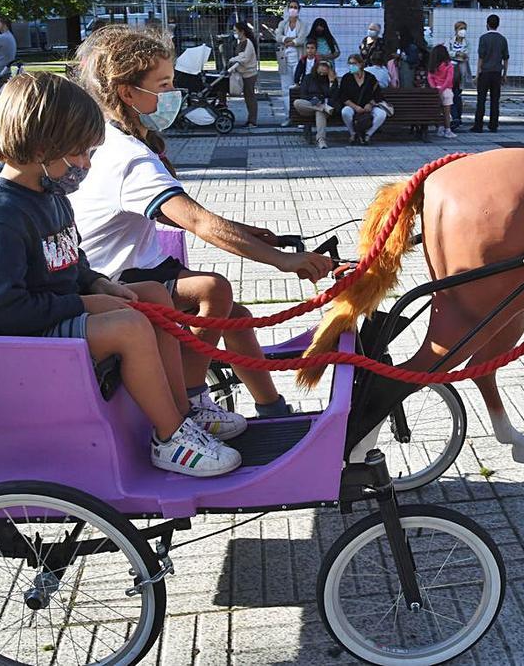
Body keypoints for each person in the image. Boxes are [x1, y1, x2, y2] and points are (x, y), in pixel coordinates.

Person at [0, 72, 242, 477]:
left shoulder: (49, 196)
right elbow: (3, 311)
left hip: (48, 318)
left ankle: (180, 411)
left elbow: (70, 261)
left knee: (154, 295)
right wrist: (85, 302)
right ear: (40, 146)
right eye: (80, 152)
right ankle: (170, 437)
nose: (86, 164)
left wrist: (94, 282)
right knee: (128, 327)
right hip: (18, 344)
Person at [72, 25, 333, 423]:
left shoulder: (114, 139)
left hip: (136, 268)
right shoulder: (127, 156)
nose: (173, 94)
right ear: (127, 93)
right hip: (114, 280)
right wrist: (282, 261)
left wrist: (249, 233)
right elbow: (196, 221)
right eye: (164, 84)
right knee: (215, 289)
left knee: (237, 316)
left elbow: (189, 214)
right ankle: (191, 403)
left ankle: (274, 412)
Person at [471, 13, 508, 133]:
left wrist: (477, 74)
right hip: (497, 72)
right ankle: (493, 125)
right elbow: (506, 58)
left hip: (485, 72)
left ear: (487, 24)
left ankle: (478, 125)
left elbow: (480, 57)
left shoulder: (483, 38)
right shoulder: (502, 39)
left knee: (481, 99)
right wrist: (505, 74)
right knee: (495, 99)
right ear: (498, 25)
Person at [340, 54, 385, 145]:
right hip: (352, 105)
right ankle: (353, 133)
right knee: (345, 112)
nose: (351, 66)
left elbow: (377, 95)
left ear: (360, 64)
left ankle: (367, 134)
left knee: (381, 114)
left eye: (354, 63)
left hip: (368, 106)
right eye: (349, 64)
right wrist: (355, 107)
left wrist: (370, 104)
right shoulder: (346, 78)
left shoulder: (370, 77)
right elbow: (343, 96)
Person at [293, 57, 338, 148]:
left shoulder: (332, 80)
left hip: (325, 108)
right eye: (320, 69)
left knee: (320, 112)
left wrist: (331, 81)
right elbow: (303, 95)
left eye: (325, 71)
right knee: (297, 102)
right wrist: (314, 99)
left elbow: (333, 96)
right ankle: (322, 107)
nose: (322, 72)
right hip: (309, 106)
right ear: (316, 68)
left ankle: (321, 140)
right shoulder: (308, 78)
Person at [273, 0, 303, 126]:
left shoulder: (303, 25)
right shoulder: (282, 23)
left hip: (298, 61)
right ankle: (290, 116)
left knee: (299, 88)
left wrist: (292, 42)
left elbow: (302, 39)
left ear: (299, 10)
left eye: (295, 7)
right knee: (286, 89)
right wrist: (287, 38)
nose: (293, 9)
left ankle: (301, 117)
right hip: (284, 60)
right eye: (290, 7)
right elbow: (277, 36)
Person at [227, 21, 258, 128]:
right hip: (244, 73)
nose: (234, 33)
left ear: (242, 31)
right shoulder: (241, 43)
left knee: (250, 97)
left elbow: (244, 58)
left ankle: (252, 120)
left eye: (235, 30)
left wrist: (232, 60)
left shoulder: (247, 43)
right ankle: (251, 119)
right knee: (247, 96)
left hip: (249, 73)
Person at [427, 44, 457, 139]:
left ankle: (440, 128)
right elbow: (449, 79)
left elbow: (430, 77)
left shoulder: (433, 66)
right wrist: (442, 88)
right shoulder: (449, 65)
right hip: (446, 90)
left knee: (438, 111)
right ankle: (448, 130)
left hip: (435, 89)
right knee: (446, 112)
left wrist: (434, 87)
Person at [448, 20, 472, 131]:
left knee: (457, 94)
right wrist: (457, 54)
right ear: (456, 30)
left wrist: (458, 55)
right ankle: (456, 117)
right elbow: (449, 53)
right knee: (453, 94)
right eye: (461, 28)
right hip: (451, 71)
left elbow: (466, 55)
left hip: (461, 71)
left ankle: (457, 117)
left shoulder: (467, 42)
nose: (463, 31)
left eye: (464, 29)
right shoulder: (450, 41)